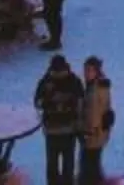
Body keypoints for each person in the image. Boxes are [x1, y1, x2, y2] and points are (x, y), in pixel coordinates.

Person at [36, 52, 87, 185]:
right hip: (65, 130)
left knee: (54, 166)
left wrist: (52, 103)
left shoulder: (46, 81)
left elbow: (38, 102)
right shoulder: (73, 81)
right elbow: (81, 103)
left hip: (56, 130)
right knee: (66, 166)